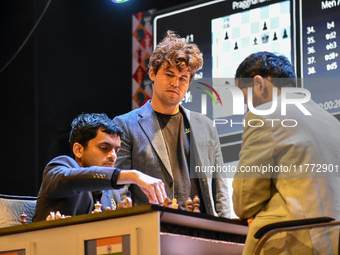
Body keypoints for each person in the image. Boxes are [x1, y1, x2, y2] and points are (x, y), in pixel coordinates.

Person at [113, 30, 231, 217]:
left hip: (203, 230)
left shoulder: (206, 126)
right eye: (169, 74)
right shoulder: (125, 125)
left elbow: (220, 191)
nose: (175, 83)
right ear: (152, 73)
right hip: (154, 230)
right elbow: (121, 192)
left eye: (183, 78)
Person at [232, 51, 340, 254]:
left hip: (295, 243)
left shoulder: (264, 115)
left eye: (244, 95)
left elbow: (244, 201)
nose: (247, 105)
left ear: (258, 84)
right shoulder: (330, 120)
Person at [33, 113, 167, 222]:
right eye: (104, 148)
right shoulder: (61, 167)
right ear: (78, 150)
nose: (113, 156)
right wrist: (133, 175)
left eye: (117, 150)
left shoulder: (113, 192)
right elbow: (73, 180)